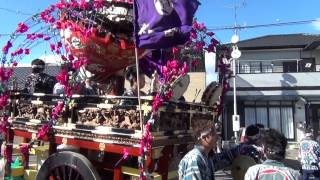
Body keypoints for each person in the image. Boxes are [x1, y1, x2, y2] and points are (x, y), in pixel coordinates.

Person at [178, 119, 258, 180]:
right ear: (204, 137)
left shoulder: (206, 157)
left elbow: (222, 159)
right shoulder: (195, 160)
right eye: (214, 134)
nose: (218, 137)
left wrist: (240, 149)